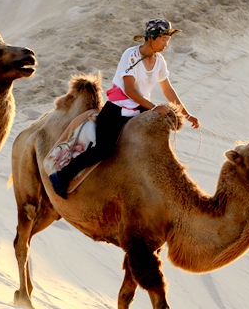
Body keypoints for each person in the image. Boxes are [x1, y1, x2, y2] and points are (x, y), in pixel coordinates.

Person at [48, 18, 200, 199]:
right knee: (104, 149)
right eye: (163, 39)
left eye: (168, 40)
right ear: (150, 38)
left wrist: (187, 114)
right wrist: (153, 107)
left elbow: (167, 90)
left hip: (142, 109)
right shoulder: (131, 55)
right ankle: (61, 176)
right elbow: (129, 89)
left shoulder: (159, 61)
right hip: (117, 109)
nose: (166, 44)